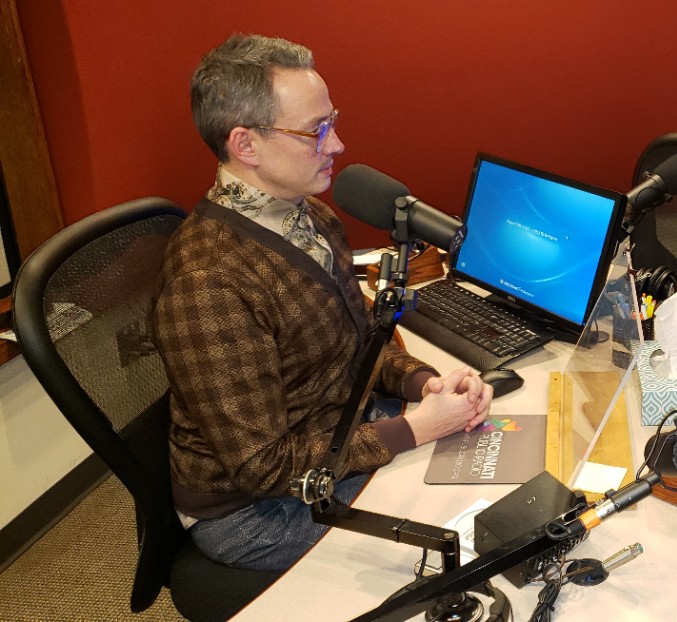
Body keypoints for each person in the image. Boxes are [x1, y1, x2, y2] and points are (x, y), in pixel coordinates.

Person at [152, 34, 492, 572]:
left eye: (331, 122)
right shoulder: (207, 282)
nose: (336, 145)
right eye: (316, 131)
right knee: (461, 547)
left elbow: (354, 349)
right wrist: (416, 428)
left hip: (338, 433)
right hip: (255, 509)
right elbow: (261, 468)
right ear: (246, 146)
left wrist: (421, 383)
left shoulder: (311, 217)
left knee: (488, 477)